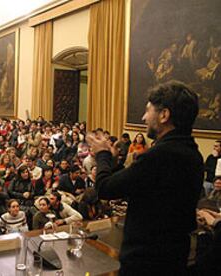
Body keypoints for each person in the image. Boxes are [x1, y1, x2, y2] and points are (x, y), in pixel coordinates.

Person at [86, 80, 203, 275]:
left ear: (164, 115)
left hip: (146, 261)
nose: (143, 117)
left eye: (148, 111)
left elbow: (106, 188)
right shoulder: (193, 154)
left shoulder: (159, 156)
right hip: (174, 256)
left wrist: (102, 154)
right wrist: (114, 162)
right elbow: (139, 184)